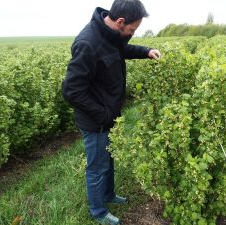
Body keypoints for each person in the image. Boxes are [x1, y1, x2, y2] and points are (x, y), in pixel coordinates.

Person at [62, 0, 161, 224]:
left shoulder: (112, 36)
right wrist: (102, 115)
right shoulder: (88, 43)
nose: (132, 34)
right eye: (132, 30)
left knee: (109, 160)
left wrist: (146, 51)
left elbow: (123, 50)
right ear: (120, 21)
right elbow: (71, 90)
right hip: (95, 121)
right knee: (97, 167)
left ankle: (109, 195)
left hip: (109, 116)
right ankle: (98, 212)